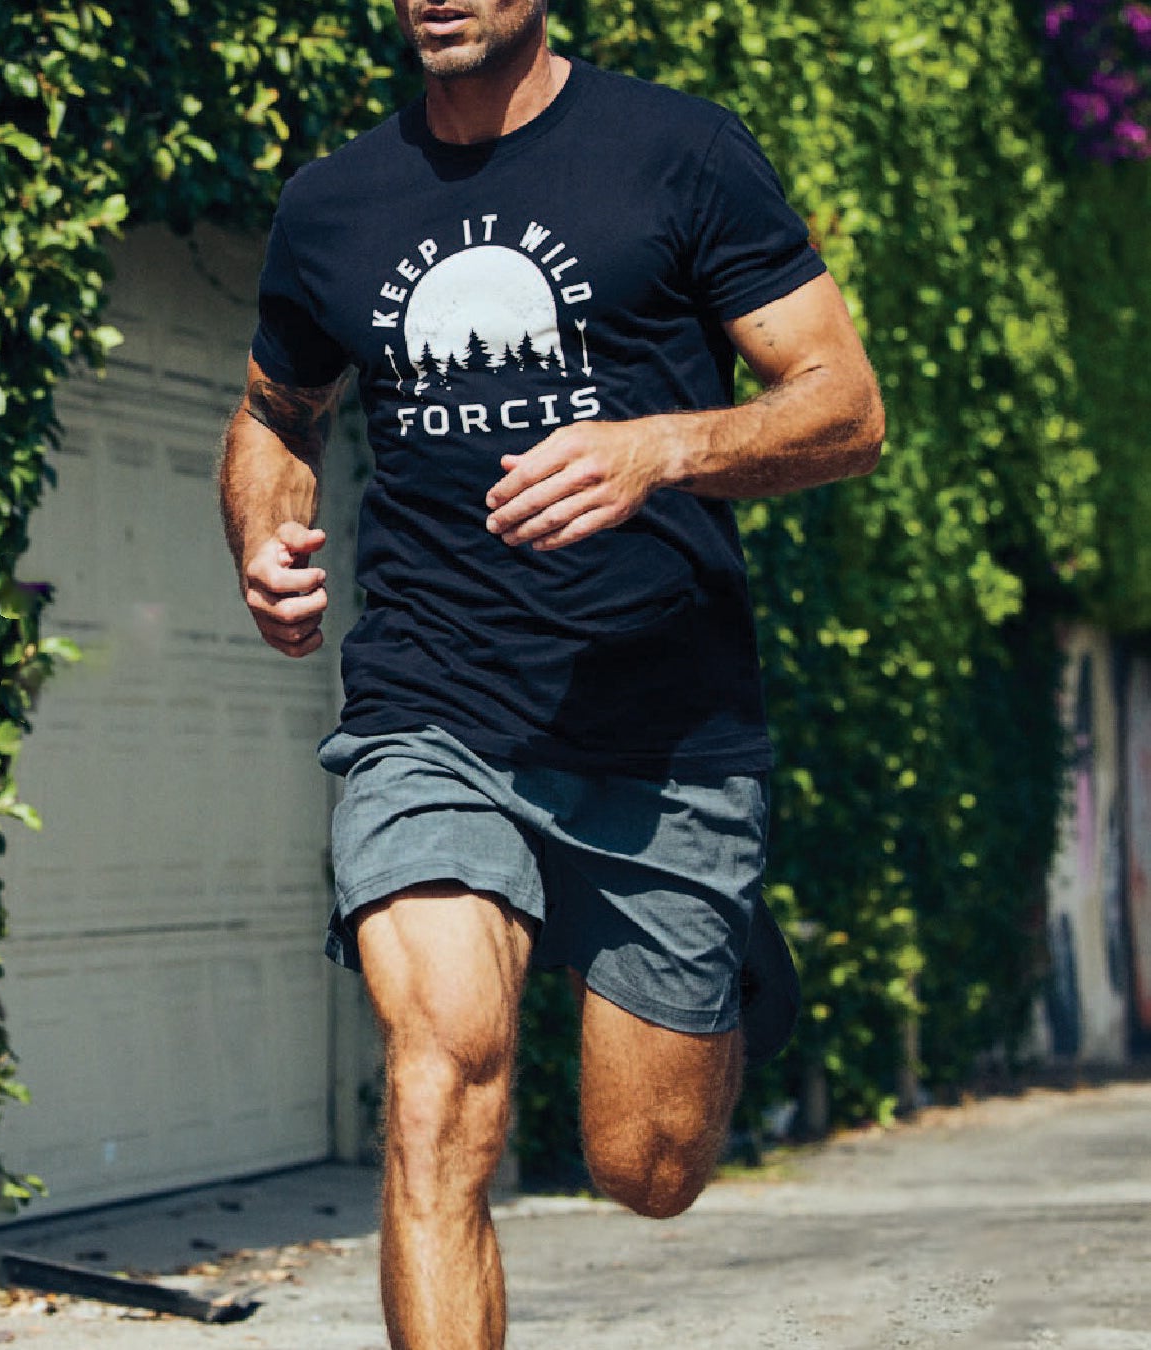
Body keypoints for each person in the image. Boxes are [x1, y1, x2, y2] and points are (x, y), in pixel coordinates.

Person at [217, 1, 884, 1345]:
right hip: (431, 701)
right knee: (437, 1075)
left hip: (660, 725)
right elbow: (275, 412)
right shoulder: (334, 201)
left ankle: (724, 964)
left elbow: (842, 406)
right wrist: (262, 531)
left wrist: (658, 450)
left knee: (645, 1167)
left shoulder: (677, 152)